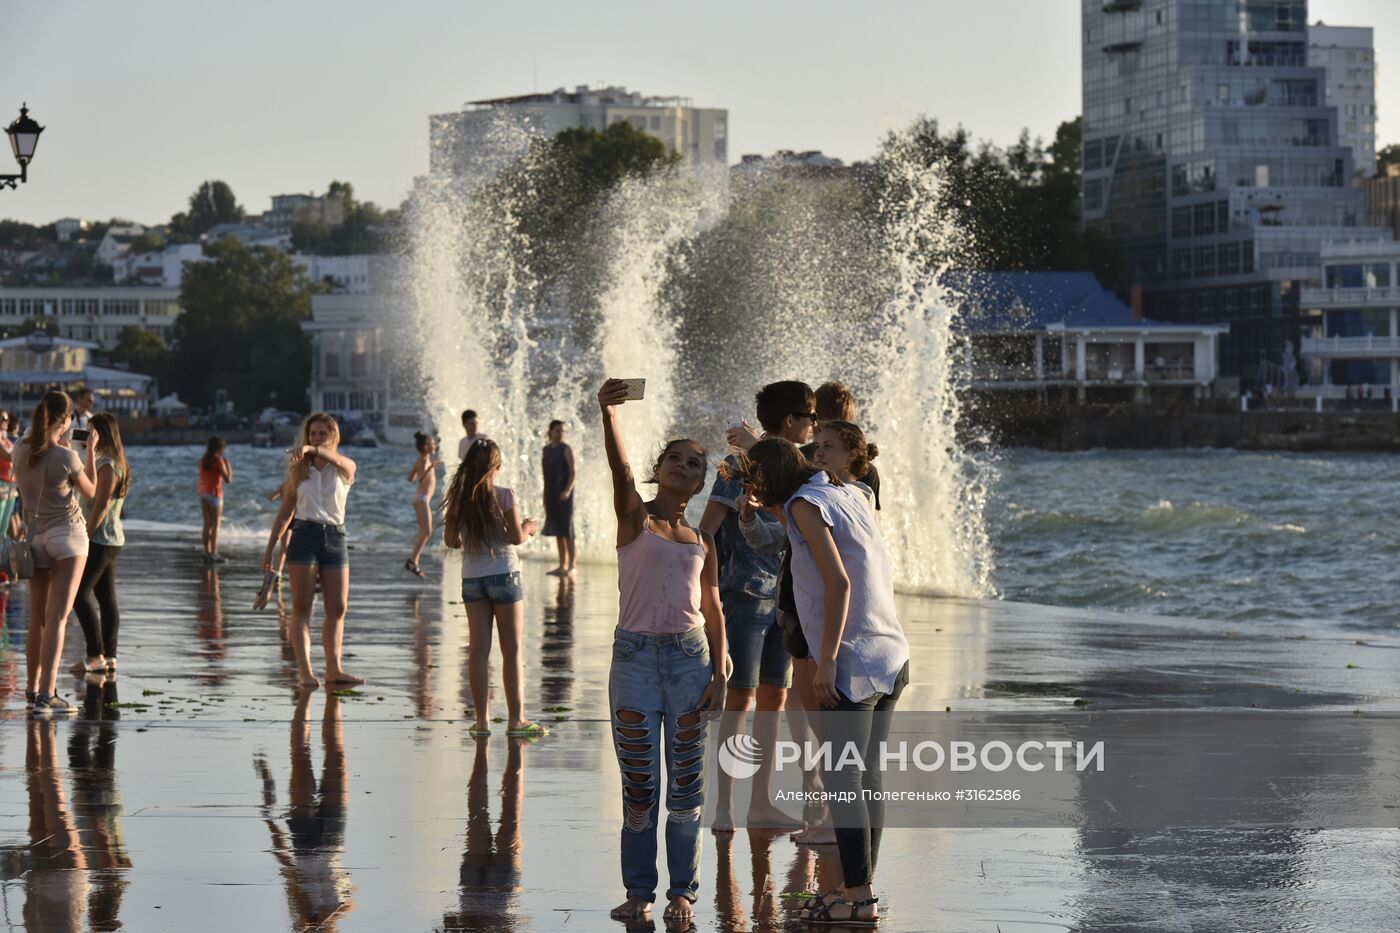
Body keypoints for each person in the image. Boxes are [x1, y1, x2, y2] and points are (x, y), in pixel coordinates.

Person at [722, 439, 909, 926]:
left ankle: (859, 898)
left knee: (845, 780)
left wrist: (825, 663)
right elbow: (805, 535)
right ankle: (856, 889)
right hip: (891, 652)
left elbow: (839, 582)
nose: (747, 486)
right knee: (865, 777)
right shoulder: (842, 489)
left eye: (753, 477)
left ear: (772, 477)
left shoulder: (807, 502)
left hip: (854, 661)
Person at [597, 378, 727, 926]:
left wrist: (721, 667)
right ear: (659, 470)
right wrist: (609, 413)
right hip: (633, 662)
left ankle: (684, 893)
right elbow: (620, 473)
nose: (681, 466)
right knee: (641, 787)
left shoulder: (702, 540)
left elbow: (713, 604)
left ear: (699, 483)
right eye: (673, 458)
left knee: (688, 786)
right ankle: (639, 891)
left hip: (689, 659)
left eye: (693, 463)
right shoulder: (637, 519)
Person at [700, 380, 815, 832]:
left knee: (774, 697)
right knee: (741, 699)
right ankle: (726, 807)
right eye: (809, 418)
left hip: (786, 598)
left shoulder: (799, 467)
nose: (813, 426)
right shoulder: (737, 464)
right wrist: (703, 590)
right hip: (745, 593)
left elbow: (815, 479)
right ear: (791, 420)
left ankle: (760, 803)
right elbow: (707, 531)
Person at [443, 436, 547, 739]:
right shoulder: (504, 496)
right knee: (511, 650)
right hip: (504, 575)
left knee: (477, 650)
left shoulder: (458, 499)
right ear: (497, 466)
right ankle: (516, 720)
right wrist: (529, 526)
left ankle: (482, 720)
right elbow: (516, 537)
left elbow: (451, 541)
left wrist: (473, 541)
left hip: (472, 578)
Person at [261, 413, 362, 689]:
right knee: (302, 608)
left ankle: (334, 669)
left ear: (333, 436)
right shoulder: (298, 470)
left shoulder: (345, 467)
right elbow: (285, 513)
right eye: (312, 434)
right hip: (304, 536)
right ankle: (305, 671)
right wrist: (269, 550)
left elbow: (341, 462)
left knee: (338, 607)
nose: (317, 438)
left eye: (322, 434)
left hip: (335, 537)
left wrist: (313, 451)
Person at [15, 390, 100, 715]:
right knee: (58, 619)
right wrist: (89, 451)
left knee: (36, 620)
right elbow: (91, 492)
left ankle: (32, 688)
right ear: (66, 421)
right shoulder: (66, 457)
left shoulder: (23, 451)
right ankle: (48, 695)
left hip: (36, 538)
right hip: (67, 537)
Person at [71, 412, 130, 676]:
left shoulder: (109, 464)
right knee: (105, 598)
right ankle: (109, 656)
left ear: (103, 434)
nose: (87, 435)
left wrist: (85, 532)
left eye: (91, 431)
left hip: (101, 538)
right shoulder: (104, 460)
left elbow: (102, 503)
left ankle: (96, 655)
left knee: (79, 595)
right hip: (109, 538)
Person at [541, 419, 576, 576]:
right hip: (551, 493)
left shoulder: (566, 449)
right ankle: (562, 564)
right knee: (557, 530)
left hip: (564, 494)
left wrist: (568, 490)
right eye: (558, 431)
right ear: (550, 432)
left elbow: (574, 472)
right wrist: (544, 496)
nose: (561, 434)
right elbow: (545, 475)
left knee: (567, 530)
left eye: (563, 431)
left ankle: (572, 566)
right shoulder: (546, 450)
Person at [405, 431, 440, 578]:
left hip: (420, 498)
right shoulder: (425, 462)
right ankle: (413, 560)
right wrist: (431, 468)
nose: (435, 445)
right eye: (432, 443)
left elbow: (410, 478)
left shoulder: (421, 460)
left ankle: (414, 561)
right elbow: (421, 479)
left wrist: (427, 467)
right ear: (426, 447)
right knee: (427, 531)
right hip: (422, 498)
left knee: (424, 531)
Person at [198, 436, 232, 563]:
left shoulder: (203, 460)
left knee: (207, 523)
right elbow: (228, 479)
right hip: (215, 494)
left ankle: (207, 552)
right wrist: (228, 465)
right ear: (220, 448)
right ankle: (214, 553)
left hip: (203, 493)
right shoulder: (218, 461)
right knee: (216, 524)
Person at [0, 410, 16, 583]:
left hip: (10, 486)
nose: (5, 422)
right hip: (1, 486)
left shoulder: (6, 440)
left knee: (3, 531)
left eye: (6, 419)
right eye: (1, 419)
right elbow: (10, 456)